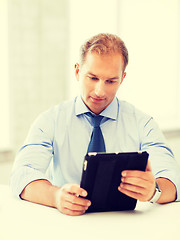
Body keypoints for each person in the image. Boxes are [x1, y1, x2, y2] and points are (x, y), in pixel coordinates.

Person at [11, 33, 180, 216]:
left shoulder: (143, 124)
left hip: (126, 226)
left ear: (122, 78)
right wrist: (56, 196)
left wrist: (154, 190)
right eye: (92, 78)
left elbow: (174, 181)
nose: (99, 91)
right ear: (77, 71)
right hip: (69, 224)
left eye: (110, 81)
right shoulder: (50, 120)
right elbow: (22, 175)